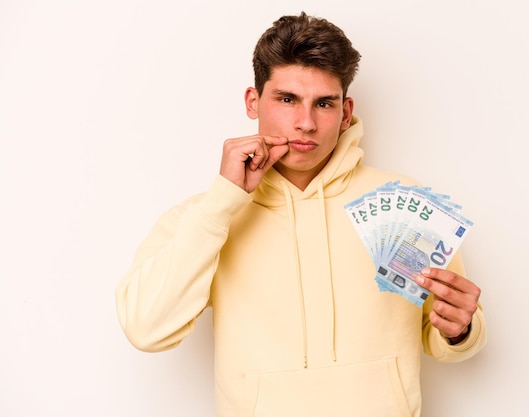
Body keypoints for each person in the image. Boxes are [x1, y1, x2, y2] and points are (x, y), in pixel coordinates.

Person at [116, 12, 486, 417]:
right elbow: (146, 329)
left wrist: (461, 331)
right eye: (287, 99)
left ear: (345, 113)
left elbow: (445, 339)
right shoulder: (207, 216)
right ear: (253, 102)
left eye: (323, 103)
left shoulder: (405, 204)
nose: (305, 123)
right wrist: (223, 202)